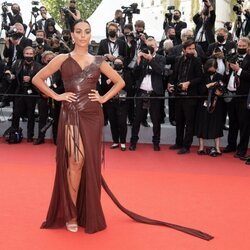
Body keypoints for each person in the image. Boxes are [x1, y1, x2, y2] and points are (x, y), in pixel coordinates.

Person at [32, 20, 213, 241]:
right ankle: (70, 214)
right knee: (75, 162)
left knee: (89, 164)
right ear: (72, 35)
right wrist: (57, 95)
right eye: (78, 32)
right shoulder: (62, 59)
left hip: (91, 115)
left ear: (90, 36)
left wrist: (102, 98)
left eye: (87, 32)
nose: (82, 35)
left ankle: (84, 210)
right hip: (70, 113)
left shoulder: (98, 61)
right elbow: (37, 79)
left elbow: (120, 82)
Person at [195, 59, 225, 156]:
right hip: (203, 103)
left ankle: (217, 148)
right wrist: (210, 85)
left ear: (216, 68)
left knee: (216, 125)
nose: (211, 70)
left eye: (213, 68)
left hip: (217, 104)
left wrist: (220, 92)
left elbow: (223, 90)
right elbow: (200, 90)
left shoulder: (220, 77)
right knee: (202, 123)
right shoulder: (202, 77)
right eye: (209, 68)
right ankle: (201, 147)